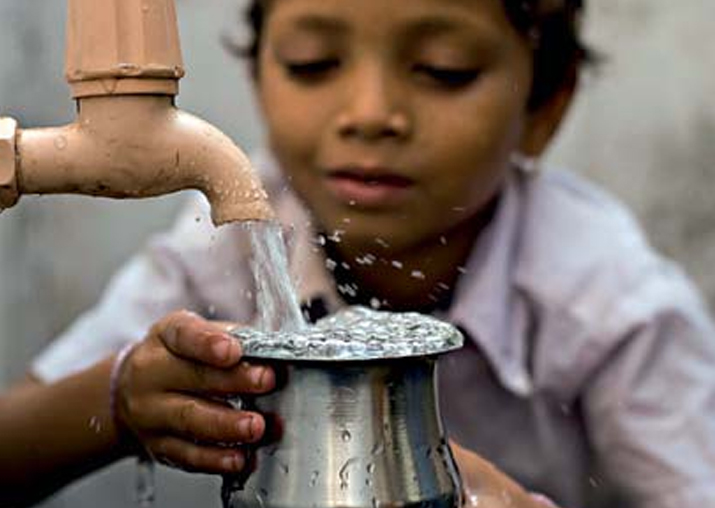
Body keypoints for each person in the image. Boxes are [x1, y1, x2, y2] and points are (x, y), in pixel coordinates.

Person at [1, 0, 714, 506]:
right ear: (259, 76)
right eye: (313, 63)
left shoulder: (610, 303)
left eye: (443, 69)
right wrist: (120, 401)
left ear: (544, 106)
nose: (369, 112)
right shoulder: (241, 237)